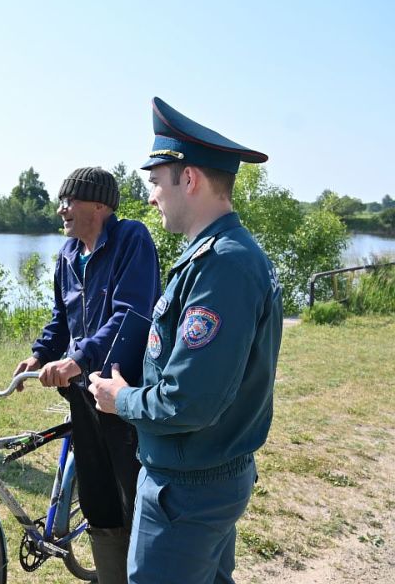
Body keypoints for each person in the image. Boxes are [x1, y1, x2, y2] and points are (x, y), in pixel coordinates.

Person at [89, 97, 283, 584]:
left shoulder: (223, 266)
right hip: (202, 477)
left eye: (156, 181)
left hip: (188, 489)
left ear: (189, 179)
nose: (151, 196)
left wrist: (122, 399)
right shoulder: (216, 256)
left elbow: (188, 402)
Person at [13, 167, 161, 584]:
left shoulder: (132, 240)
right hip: (82, 393)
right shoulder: (67, 253)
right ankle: (112, 576)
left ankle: (146, 572)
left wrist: (77, 358)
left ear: (99, 204)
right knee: (97, 496)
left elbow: (130, 312)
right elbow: (62, 317)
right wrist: (40, 354)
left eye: (69, 201)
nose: (61, 210)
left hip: (125, 390)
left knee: (132, 493)